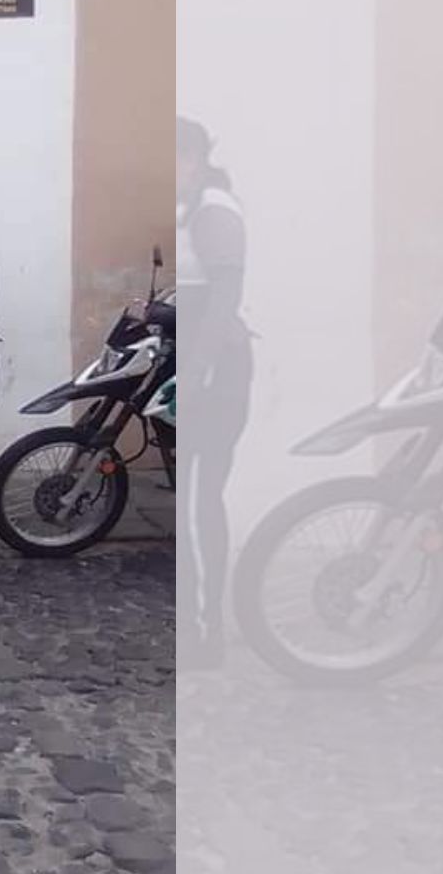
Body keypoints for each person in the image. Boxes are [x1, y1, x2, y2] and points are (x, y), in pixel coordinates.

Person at [177, 116, 250, 668]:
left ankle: (207, 632)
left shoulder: (213, 211)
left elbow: (224, 297)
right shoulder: (188, 210)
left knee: (201, 497)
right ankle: (196, 623)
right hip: (195, 363)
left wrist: (197, 371)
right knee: (192, 496)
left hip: (216, 369)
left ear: (196, 159)